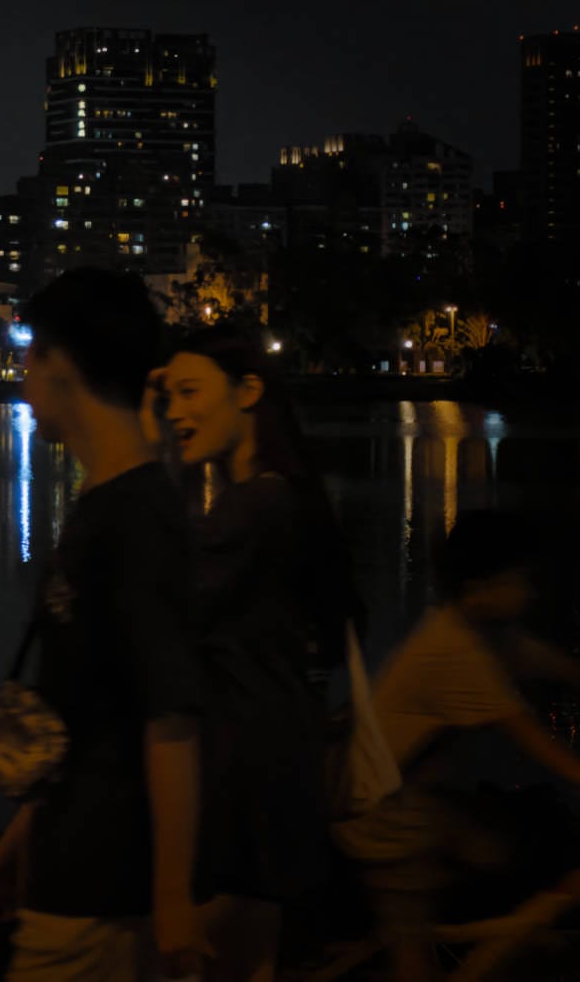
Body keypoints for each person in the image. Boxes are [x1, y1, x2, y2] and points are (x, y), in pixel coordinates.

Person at [0, 267, 210, 980]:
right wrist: (22, 838)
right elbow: (94, 714)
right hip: (72, 864)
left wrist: (172, 902)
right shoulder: (105, 505)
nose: (20, 380)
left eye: (29, 355)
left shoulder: (137, 519)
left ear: (61, 363)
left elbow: (171, 719)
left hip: (103, 889)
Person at [150, 326, 358, 981]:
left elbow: (162, 607)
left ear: (248, 392)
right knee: (251, 959)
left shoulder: (255, 509)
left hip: (243, 771)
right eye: (167, 399)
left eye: (189, 393)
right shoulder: (282, 498)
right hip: (279, 763)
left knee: (200, 957)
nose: (176, 413)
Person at [334, 511, 580, 982]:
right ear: (478, 587)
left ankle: (501, 938)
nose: (530, 593)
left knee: (513, 847)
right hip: (384, 817)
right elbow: (538, 745)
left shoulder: (486, 632)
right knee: (420, 943)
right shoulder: (456, 652)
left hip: (413, 802)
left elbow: (554, 665)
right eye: (519, 581)